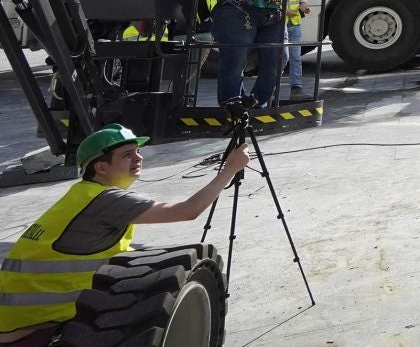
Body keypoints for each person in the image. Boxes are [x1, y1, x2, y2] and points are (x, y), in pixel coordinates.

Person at [0, 125, 249, 345]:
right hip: (39, 324)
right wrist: (230, 169)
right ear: (101, 167)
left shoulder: (81, 194)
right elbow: (188, 210)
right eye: (127, 154)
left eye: (138, 151)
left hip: (15, 320)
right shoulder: (105, 199)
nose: (138, 157)